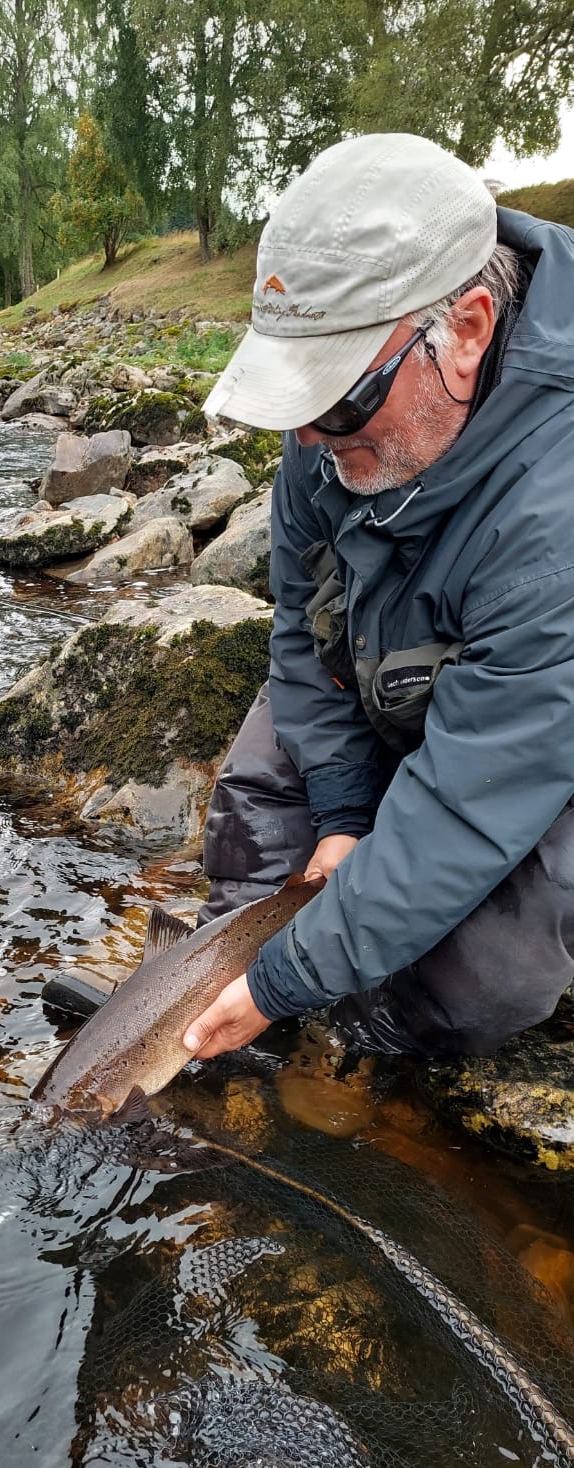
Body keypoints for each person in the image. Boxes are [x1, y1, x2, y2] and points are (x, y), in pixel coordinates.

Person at [181, 131, 574, 1064]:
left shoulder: (554, 522)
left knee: (482, 985)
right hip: (397, 665)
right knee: (257, 822)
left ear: (468, 331)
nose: (310, 437)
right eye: (294, 402)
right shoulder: (332, 423)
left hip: (538, 727)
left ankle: (354, 1047)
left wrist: (286, 984)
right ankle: (209, 1005)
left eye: (339, 403)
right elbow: (297, 629)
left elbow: (478, 798)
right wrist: (345, 810)